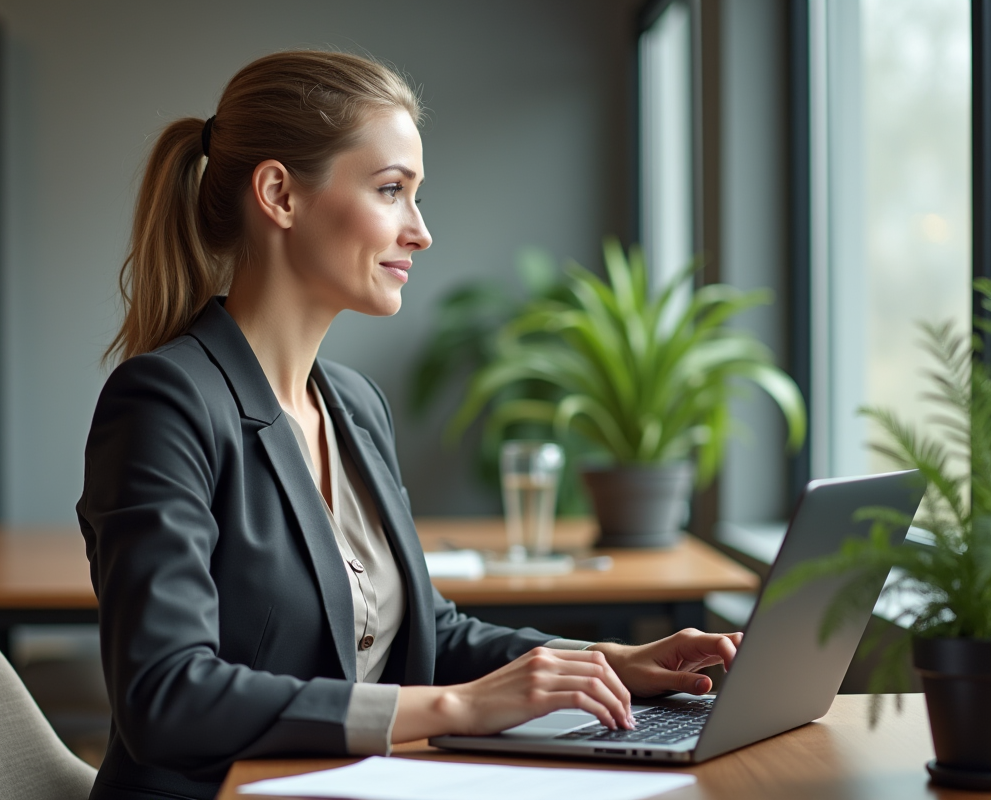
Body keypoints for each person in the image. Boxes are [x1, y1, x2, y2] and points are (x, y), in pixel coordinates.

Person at [77, 50, 742, 800]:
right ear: (279, 195)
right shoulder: (165, 402)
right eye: (391, 190)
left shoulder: (354, 405)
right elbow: (167, 697)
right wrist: (459, 708)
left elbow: (427, 630)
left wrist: (603, 662)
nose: (420, 231)